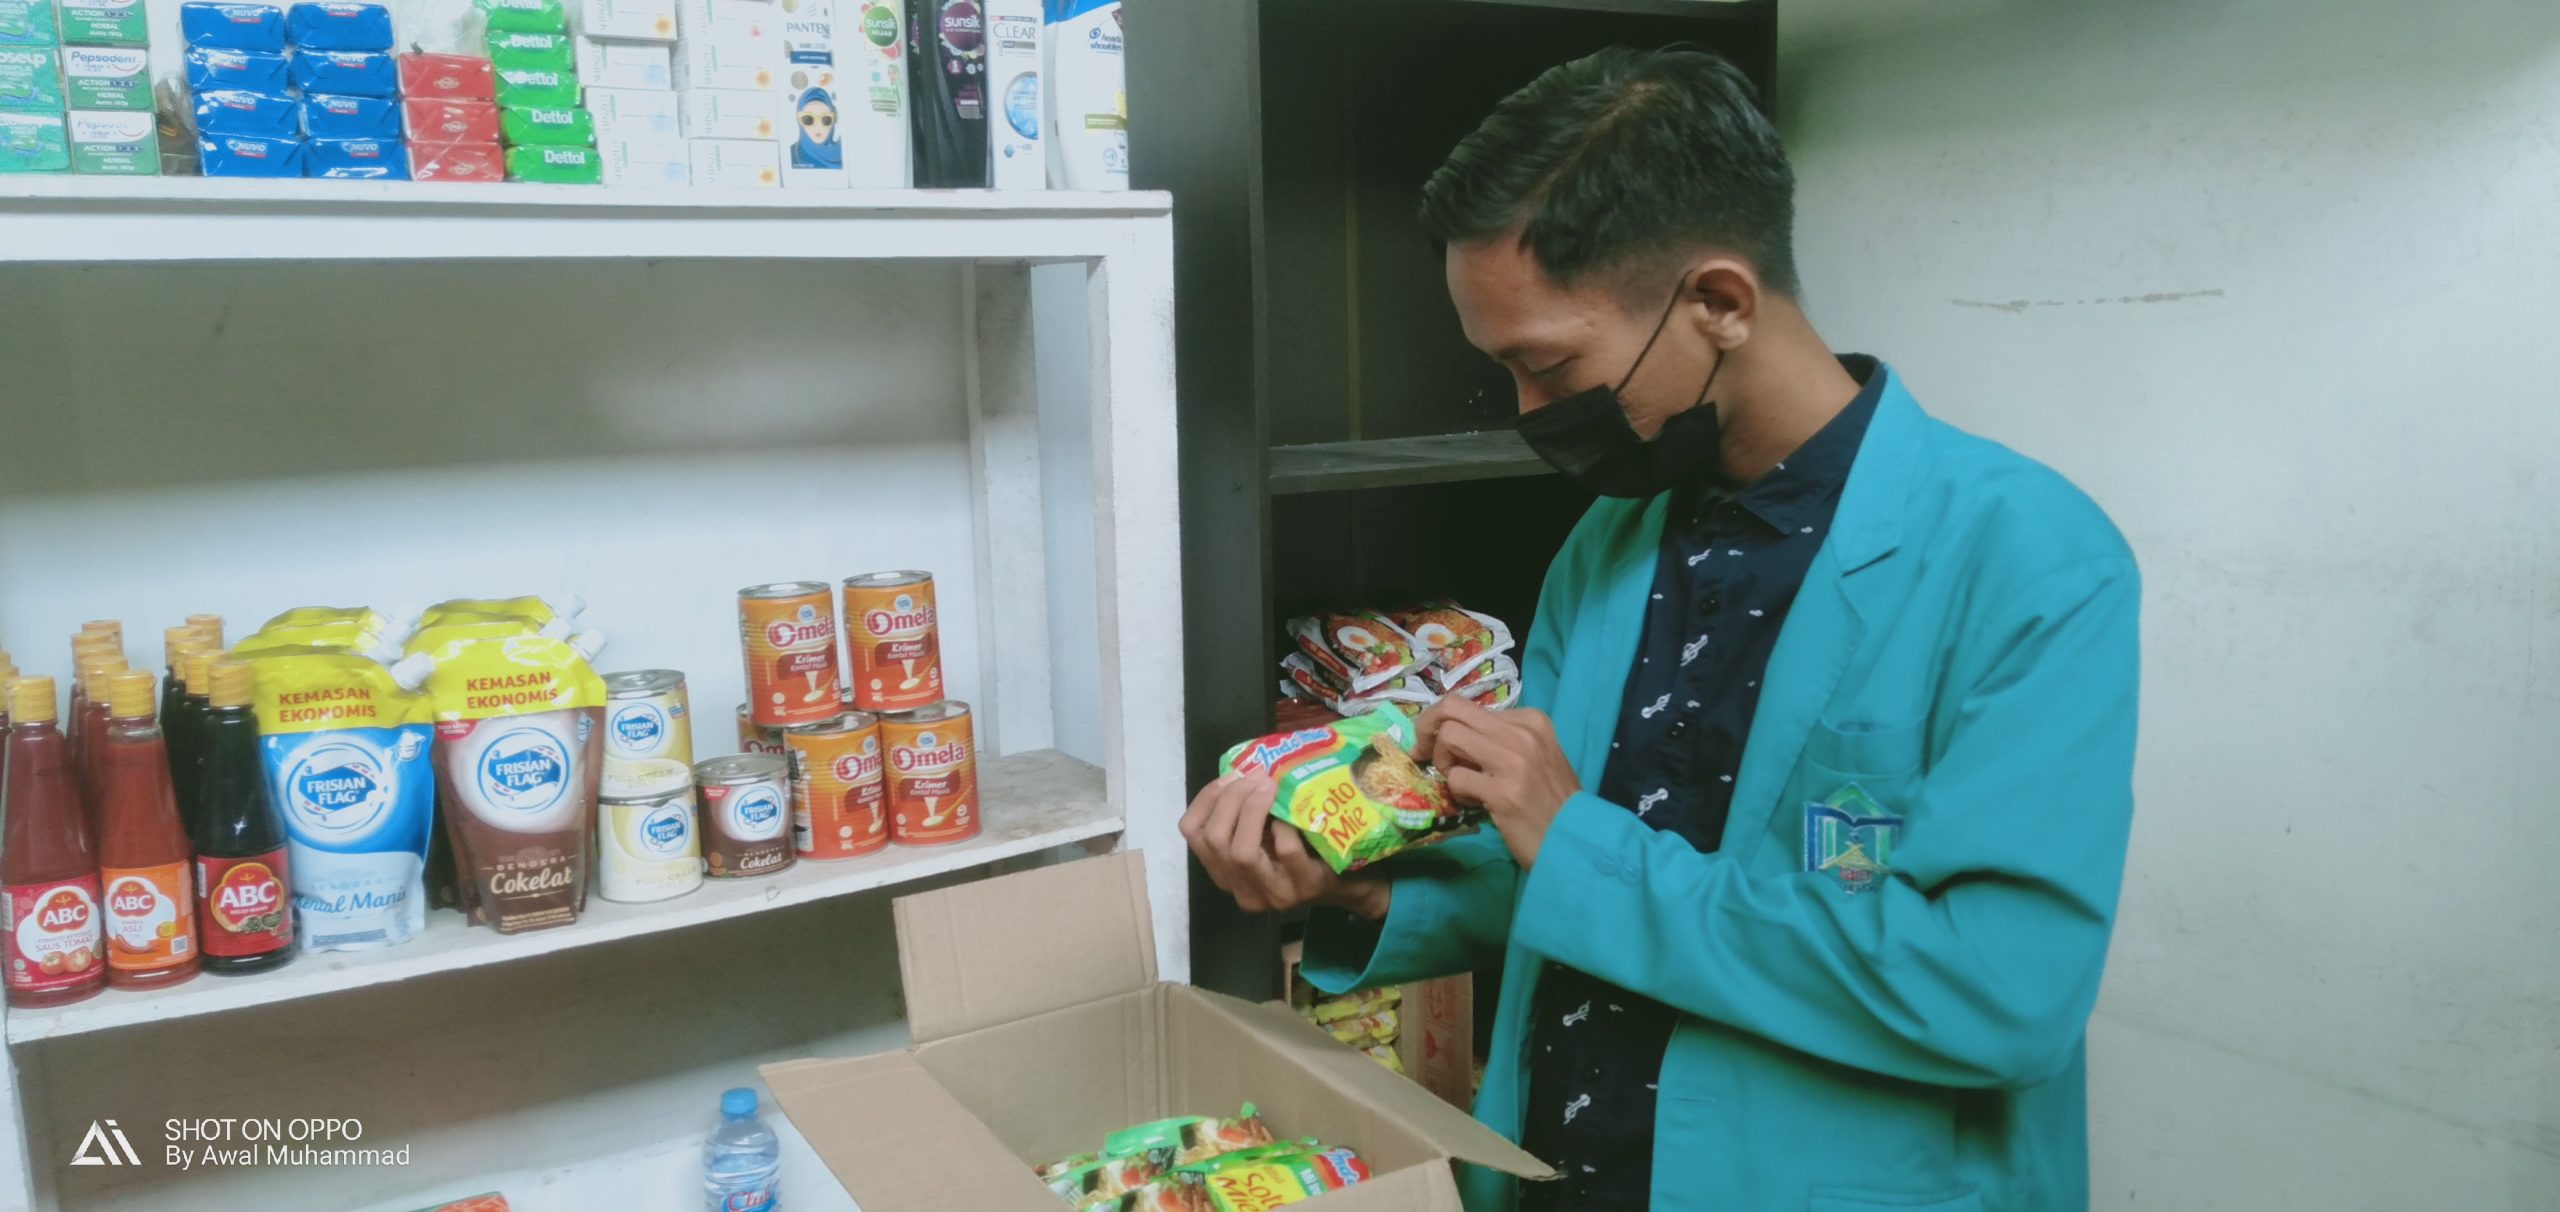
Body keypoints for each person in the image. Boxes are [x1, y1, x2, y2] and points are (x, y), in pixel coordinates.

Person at [1182, 46, 2140, 1212]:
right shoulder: (1610, 543)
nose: (1530, 413)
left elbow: (1996, 994)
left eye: (1550, 367)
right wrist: (1365, 891)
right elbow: (1557, 886)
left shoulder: (2024, 557)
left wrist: (1575, 841)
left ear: (1718, 303)